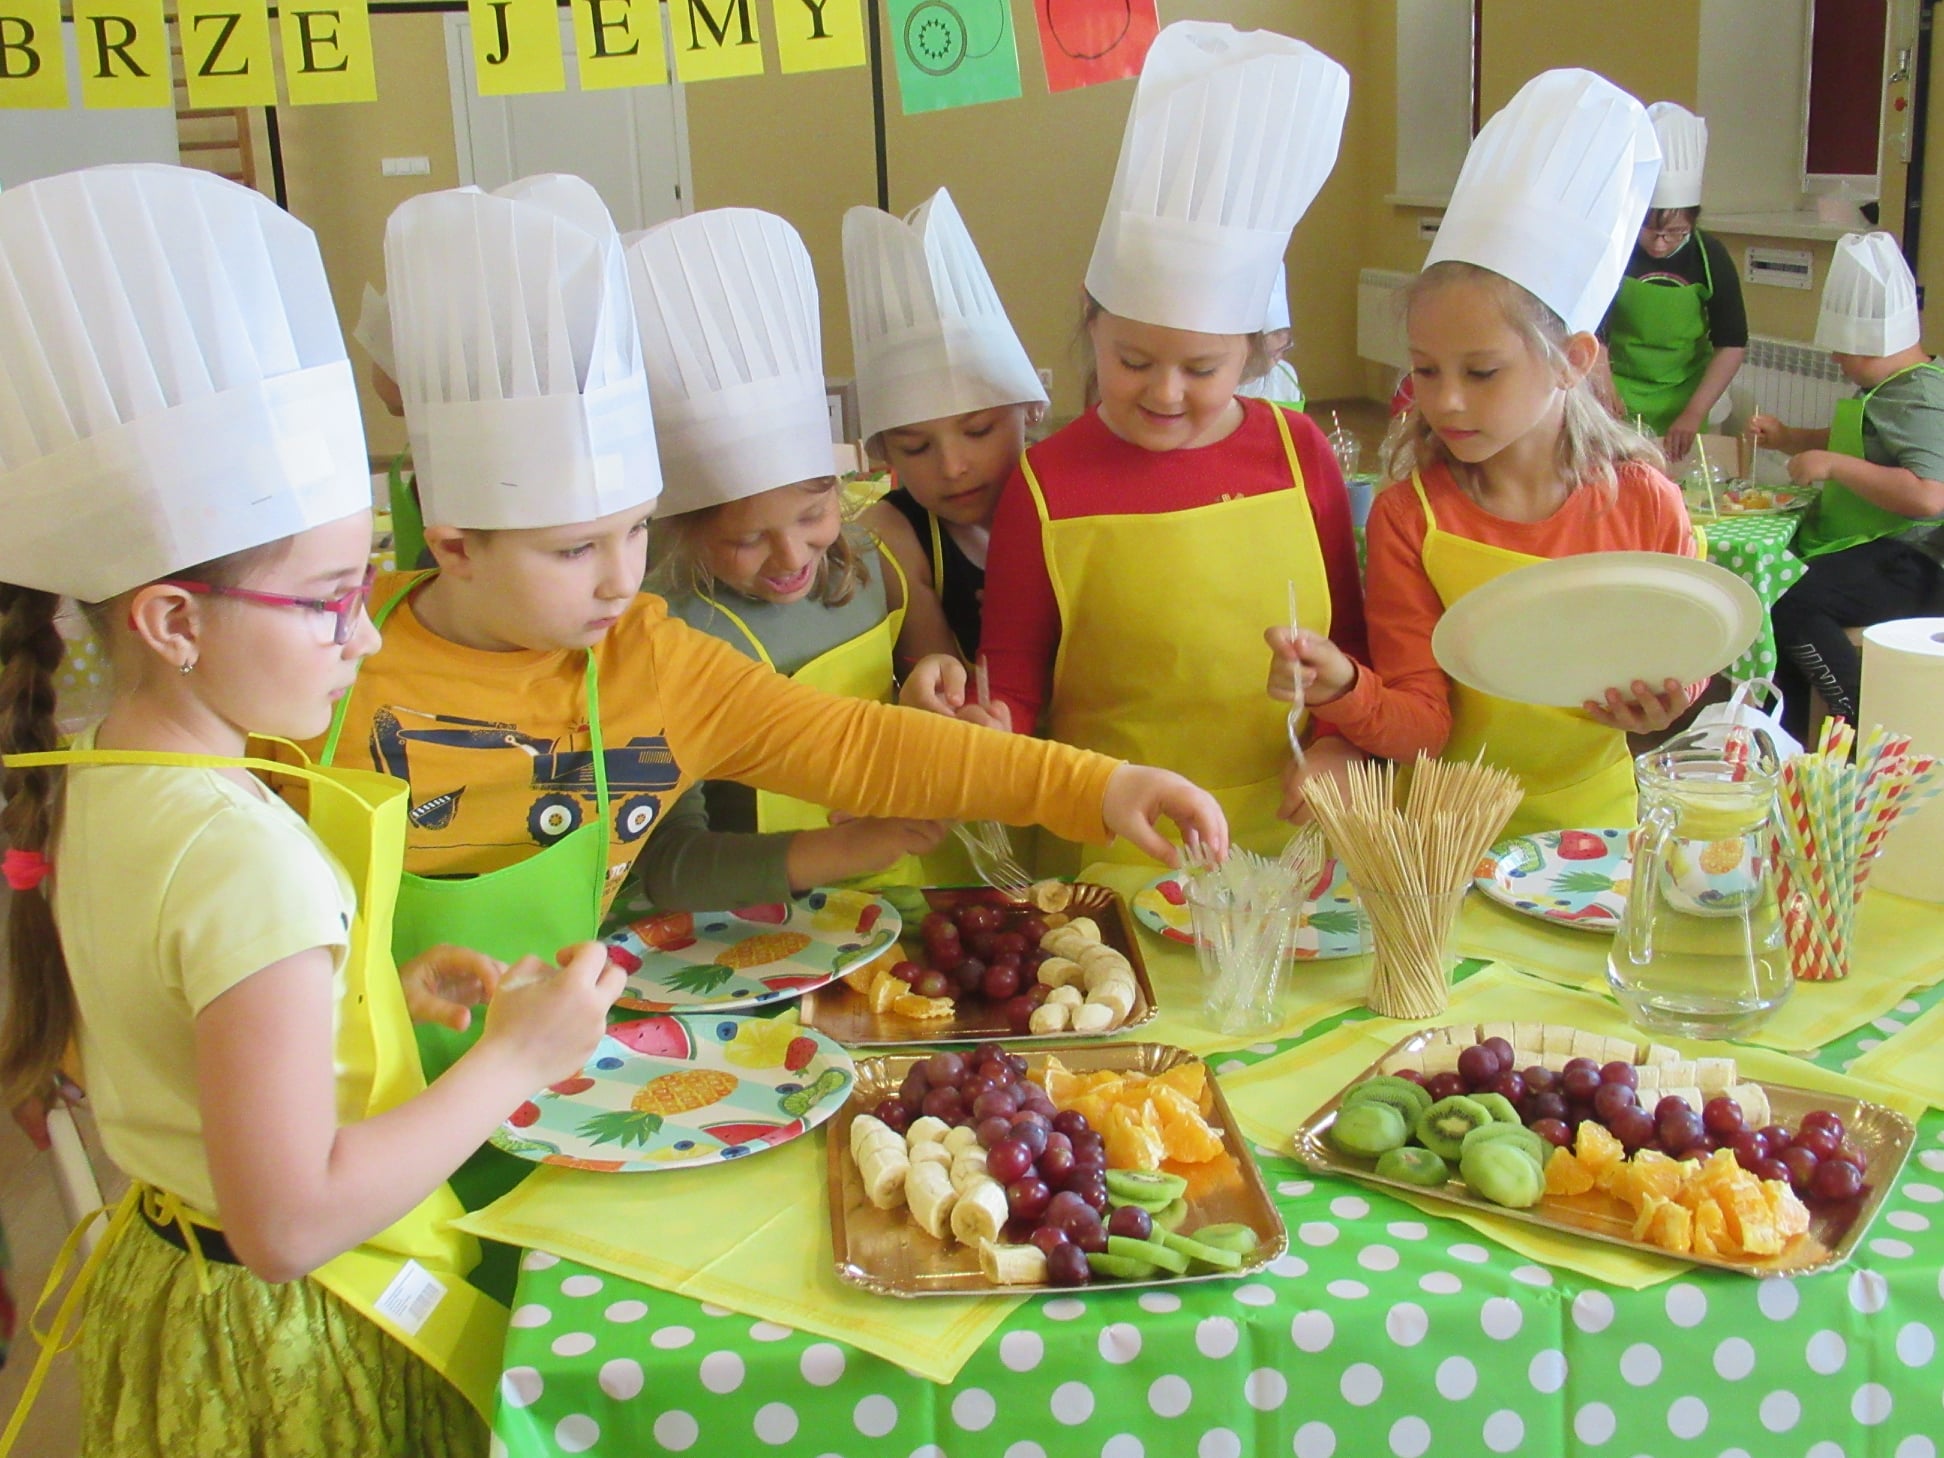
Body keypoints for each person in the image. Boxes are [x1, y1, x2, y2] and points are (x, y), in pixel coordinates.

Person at [0, 164, 622, 1456]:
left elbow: (196, 1035)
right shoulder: (242, 856)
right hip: (293, 1332)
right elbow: (287, 1219)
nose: (360, 636)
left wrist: (380, 994)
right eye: (330, 597)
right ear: (171, 620)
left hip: (173, 1294)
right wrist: (519, 1058)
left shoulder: (108, 780)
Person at [318, 176, 1228, 1011]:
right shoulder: (328, 669)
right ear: (453, 547)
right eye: (570, 551)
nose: (620, 578)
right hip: (365, 1086)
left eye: (635, 530)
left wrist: (1102, 788)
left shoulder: (653, 659)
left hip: (554, 1057)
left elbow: (863, 747)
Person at [909, 22, 1366, 865]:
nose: (1163, 391)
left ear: (1255, 353)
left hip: (1296, 830)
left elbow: (1353, 648)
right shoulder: (1047, 481)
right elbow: (1013, 676)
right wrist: (988, 720)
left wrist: (1345, 742)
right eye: (1132, 359)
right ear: (1093, 327)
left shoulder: (1299, 451)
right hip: (1121, 840)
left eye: (1201, 367)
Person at [1270, 70, 1698, 838]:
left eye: (1482, 371)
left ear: (1570, 359)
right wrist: (1343, 690)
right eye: (1425, 369)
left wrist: (1674, 697)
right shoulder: (1412, 519)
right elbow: (1421, 727)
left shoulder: (1645, 504)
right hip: (1447, 839)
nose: (1446, 400)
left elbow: (1685, 654)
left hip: (1598, 831)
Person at [629, 206, 963, 900]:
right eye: (747, 539)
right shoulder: (668, 632)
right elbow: (672, 866)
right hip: (749, 931)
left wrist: (934, 685)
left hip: (898, 891)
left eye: (814, 515)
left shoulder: (875, 557)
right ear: (685, 530)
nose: (790, 555)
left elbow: (924, 679)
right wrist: (847, 846)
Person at [1750, 231, 1944, 736]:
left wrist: (1834, 467)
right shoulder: (1890, 388)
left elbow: (1929, 494)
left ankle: (1865, 723)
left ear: (1868, 343)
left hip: (1916, 563)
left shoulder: (1915, 396)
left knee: (1787, 597)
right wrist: (1790, 439)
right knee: (1785, 590)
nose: (1835, 360)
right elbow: (1861, 440)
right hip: (1883, 552)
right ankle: (1791, 735)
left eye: (1840, 349)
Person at [846, 187, 1049, 662]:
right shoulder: (891, 535)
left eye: (978, 430)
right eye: (916, 448)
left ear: (1031, 408)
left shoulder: (1074, 496)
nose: (953, 466)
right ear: (885, 453)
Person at [1603, 102, 1747, 461]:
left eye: (1676, 232)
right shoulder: (1612, 250)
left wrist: (1695, 412)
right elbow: (1592, 331)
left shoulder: (1710, 256)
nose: (1660, 242)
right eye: (1648, 230)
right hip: (1617, 391)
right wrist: (1604, 390)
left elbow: (1731, 342)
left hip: (1688, 392)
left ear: (1693, 222)